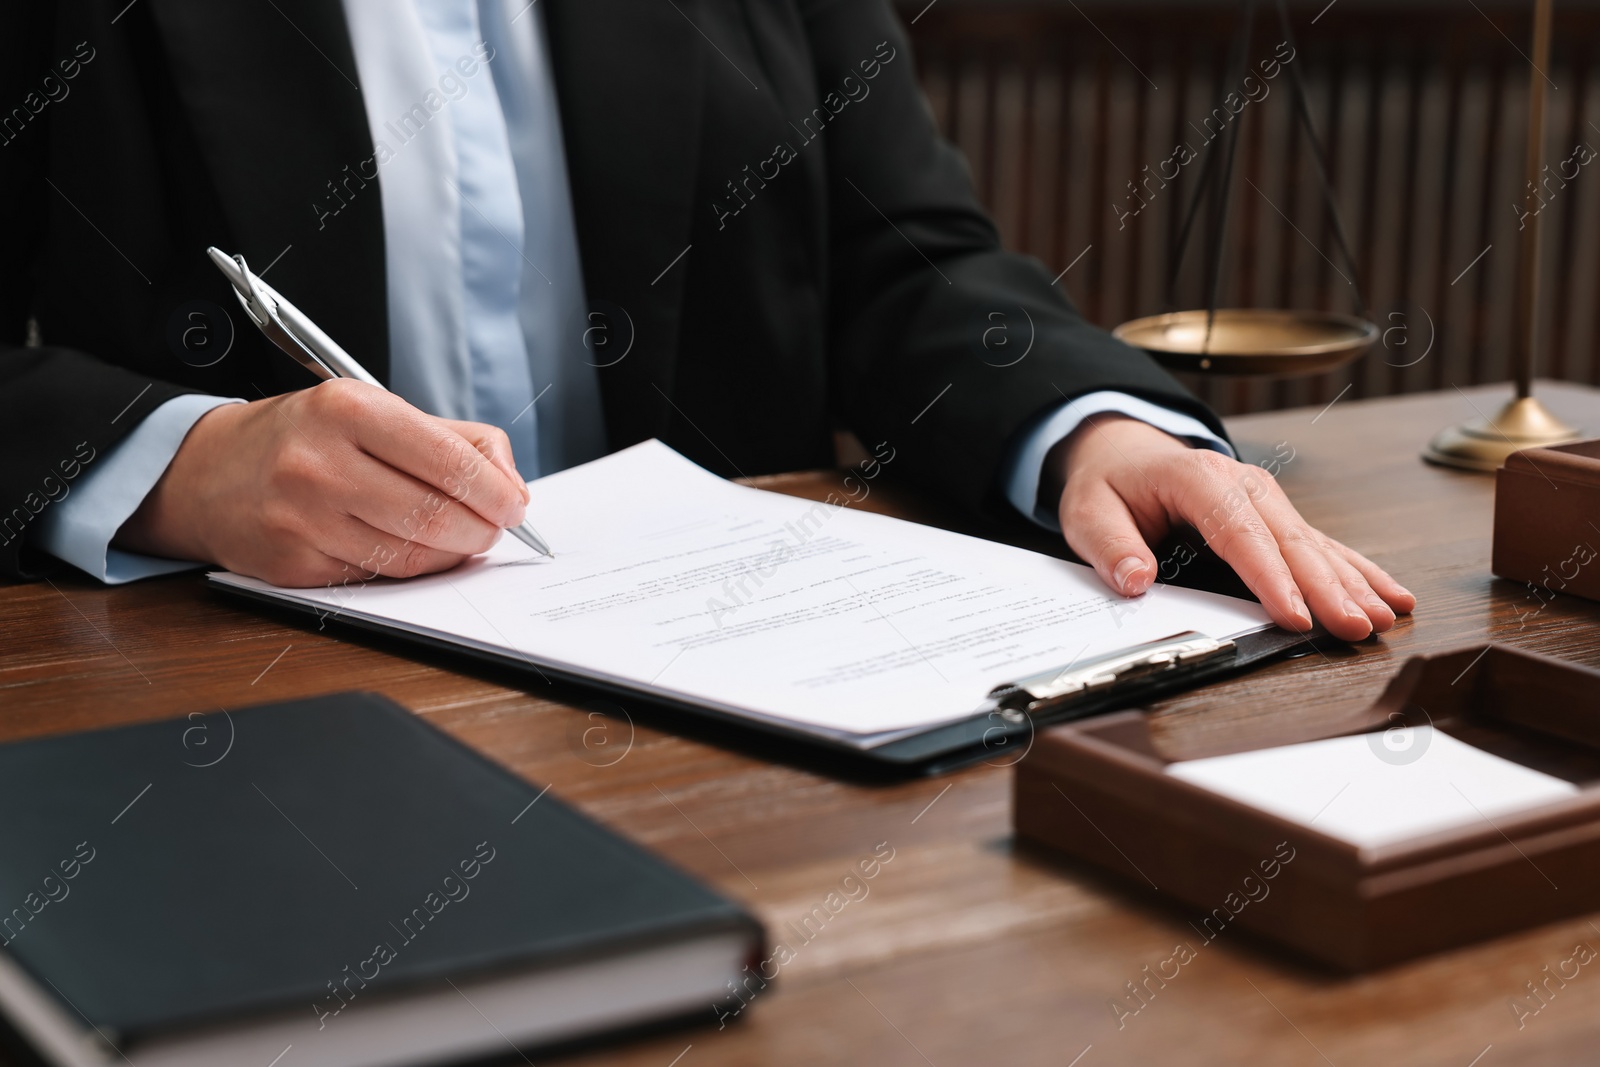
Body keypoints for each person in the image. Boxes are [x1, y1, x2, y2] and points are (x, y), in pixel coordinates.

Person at [0, 0, 1411, 643]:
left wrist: (1086, 424)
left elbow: (905, 258)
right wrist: (175, 469)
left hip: (741, 722)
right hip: (233, 717)